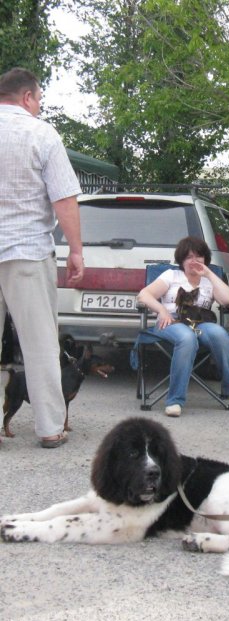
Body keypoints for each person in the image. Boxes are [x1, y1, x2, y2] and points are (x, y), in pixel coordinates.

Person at [0, 67, 84, 448]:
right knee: (40, 343)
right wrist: (77, 250)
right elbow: (63, 198)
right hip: (27, 252)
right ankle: (50, 427)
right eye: (39, 100)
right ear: (28, 97)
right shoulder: (41, 133)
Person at [137, 236, 229, 417]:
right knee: (186, 338)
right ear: (181, 260)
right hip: (171, 321)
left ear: (205, 260)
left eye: (199, 256)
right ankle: (174, 401)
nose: (194, 261)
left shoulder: (209, 281)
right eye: (189, 257)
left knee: (220, 334)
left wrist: (210, 274)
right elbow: (144, 295)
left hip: (200, 322)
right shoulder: (171, 276)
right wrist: (161, 310)